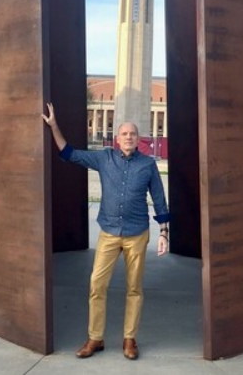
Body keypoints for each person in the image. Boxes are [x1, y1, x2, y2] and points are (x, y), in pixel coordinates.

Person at [42, 103, 169, 360]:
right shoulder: (104, 158)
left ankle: (130, 339)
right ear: (117, 138)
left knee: (134, 288)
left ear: (138, 139)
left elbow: (159, 197)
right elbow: (68, 153)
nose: (129, 137)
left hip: (137, 234)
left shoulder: (148, 164)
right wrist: (54, 125)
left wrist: (164, 232)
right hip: (109, 233)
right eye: (124, 134)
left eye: (133, 134)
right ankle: (95, 338)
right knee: (97, 284)